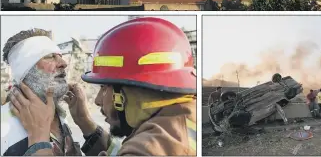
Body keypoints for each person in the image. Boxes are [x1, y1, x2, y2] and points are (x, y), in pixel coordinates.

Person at [8, 17, 197, 156]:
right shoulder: (181, 121)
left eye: (104, 87)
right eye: (49, 56)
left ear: (132, 89)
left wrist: (39, 140)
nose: (63, 63)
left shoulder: (150, 149)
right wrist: (85, 122)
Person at [1, 29, 81, 156]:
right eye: (49, 56)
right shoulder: (3, 127)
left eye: (60, 56)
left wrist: (84, 121)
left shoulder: (58, 116)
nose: (63, 63)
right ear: (25, 70)